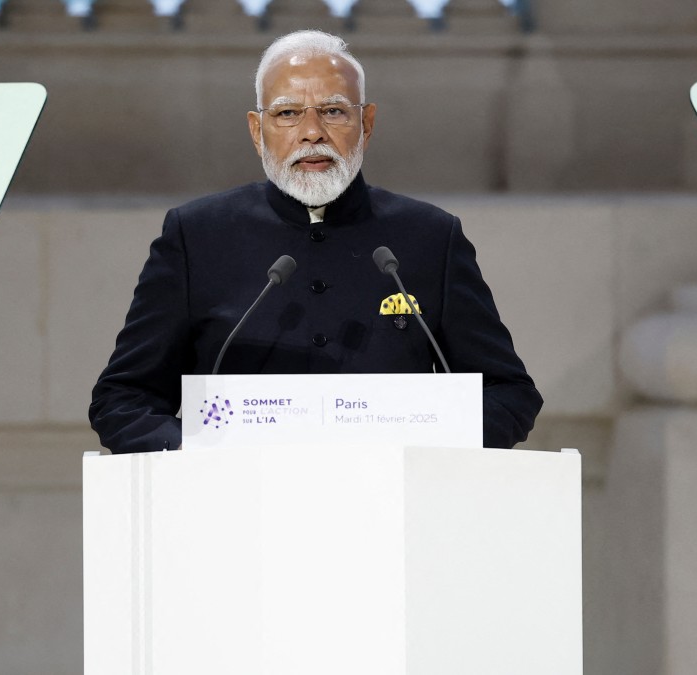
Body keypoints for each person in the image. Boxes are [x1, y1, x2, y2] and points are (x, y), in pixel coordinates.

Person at [90, 30, 542, 452]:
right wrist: (201, 460)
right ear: (256, 130)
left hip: (393, 513)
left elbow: (509, 394)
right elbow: (123, 398)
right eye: (287, 113)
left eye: (333, 111)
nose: (312, 132)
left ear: (366, 123)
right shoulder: (195, 237)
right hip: (236, 513)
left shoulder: (430, 237)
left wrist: (429, 451)